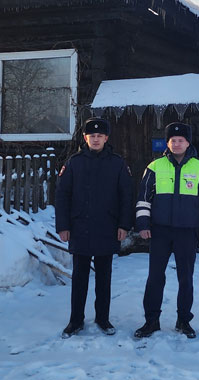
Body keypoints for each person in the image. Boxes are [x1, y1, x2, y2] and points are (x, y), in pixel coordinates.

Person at [134, 122, 199, 339]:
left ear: (188, 142)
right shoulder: (155, 167)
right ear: (167, 143)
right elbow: (144, 198)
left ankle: (184, 321)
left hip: (187, 232)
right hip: (160, 231)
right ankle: (151, 321)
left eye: (180, 140)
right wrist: (143, 225)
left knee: (186, 278)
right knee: (155, 277)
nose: (176, 144)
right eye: (172, 140)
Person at [55, 117, 134, 339]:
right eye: (92, 136)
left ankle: (102, 318)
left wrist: (124, 225)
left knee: (104, 278)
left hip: (107, 228)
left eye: (100, 136)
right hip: (79, 228)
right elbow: (62, 196)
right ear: (85, 138)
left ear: (106, 138)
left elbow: (126, 197)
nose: (96, 139)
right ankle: (75, 320)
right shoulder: (74, 163)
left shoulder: (117, 163)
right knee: (79, 278)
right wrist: (63, 226)